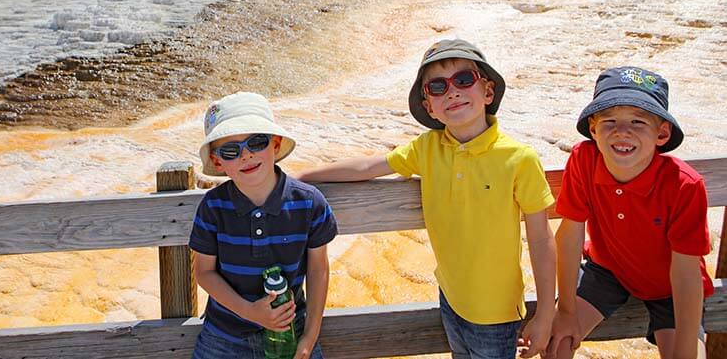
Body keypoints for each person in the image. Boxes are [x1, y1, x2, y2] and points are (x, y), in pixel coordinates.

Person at [296, 38, 556, 359]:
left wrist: (545, 314)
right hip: (449, 297)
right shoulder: (426, 148)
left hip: (497, 314)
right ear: (429, 106)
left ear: (487, 91)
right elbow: (369, 165)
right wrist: (300, 177)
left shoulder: (519, 158)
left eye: (463, 79)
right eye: (437, 87)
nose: (453, 91)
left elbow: (542, 240)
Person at [547, 67, 713, 359]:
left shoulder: (684, 185)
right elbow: (570, 235)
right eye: (609, 121)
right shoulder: (584, 159)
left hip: (670, 288)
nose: (622, 132)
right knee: (556, 343)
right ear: (594, 130)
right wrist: (565, 311)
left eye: (638, 122)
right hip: (608, 270)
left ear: (661, 133)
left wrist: (686, 350)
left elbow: (686, 274)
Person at [189, 91, 338, 359]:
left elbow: (318, 269)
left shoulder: (308, 202)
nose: (246, 155)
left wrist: (309, 337)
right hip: (225, 336)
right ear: (217, 161)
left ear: (276, 145)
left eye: (256, 142)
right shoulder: (213, 207)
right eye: (231, 150)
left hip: (292, 333)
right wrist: (249, 311)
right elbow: (204, 273)